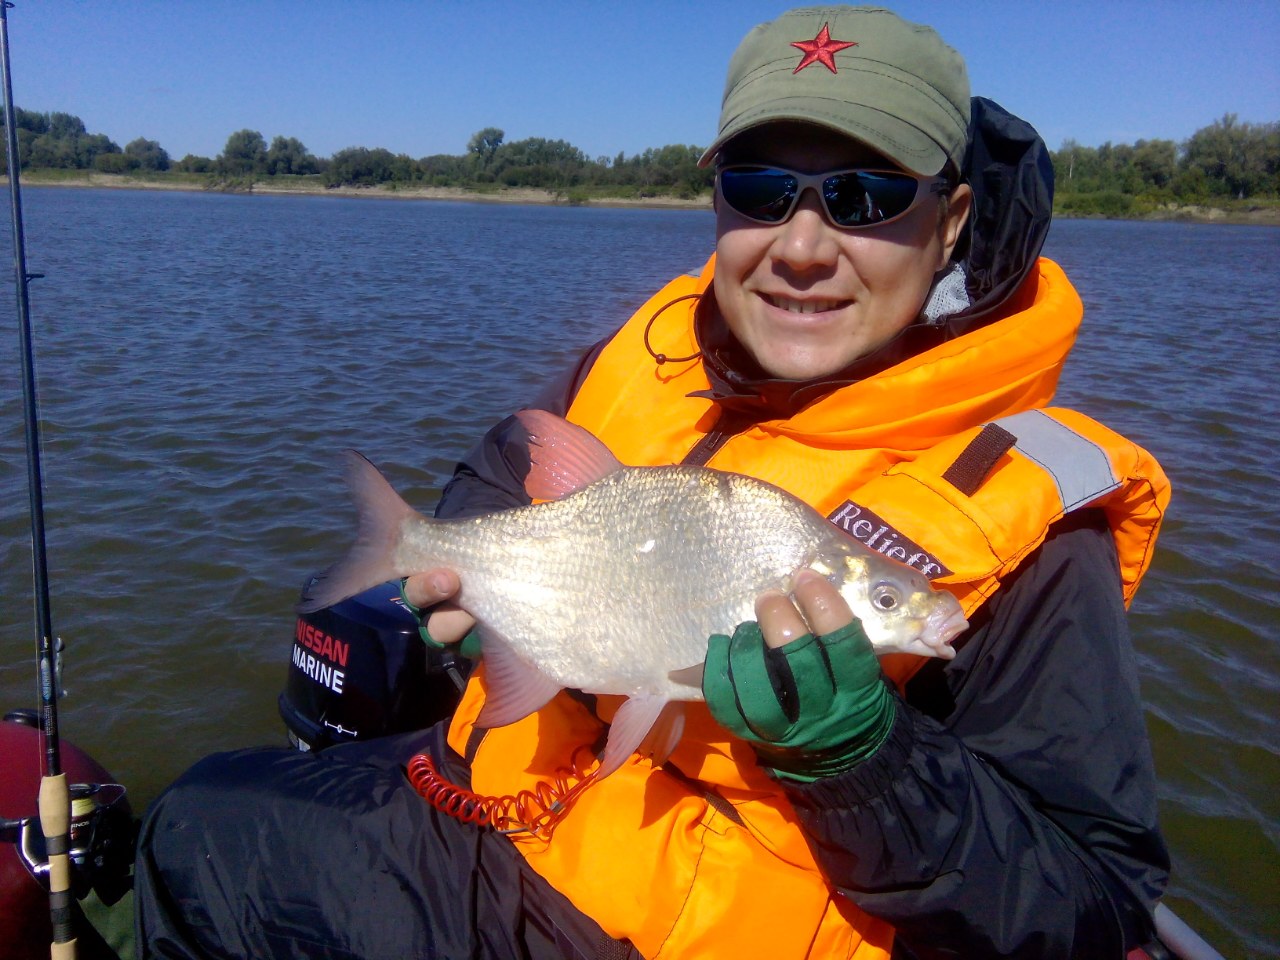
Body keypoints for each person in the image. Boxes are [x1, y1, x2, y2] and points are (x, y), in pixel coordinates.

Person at [134, 6, 1171, 958]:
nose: (799, 248)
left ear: (946, 222)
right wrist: (440, 584)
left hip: (686, 930)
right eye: (761, 191)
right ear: (716, 201)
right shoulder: (639, 359)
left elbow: (1090, 903)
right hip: (520, 809)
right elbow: (489, 502)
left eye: (862, 198)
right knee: (199, 824)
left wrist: (865, 758)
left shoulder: (1024, 518)